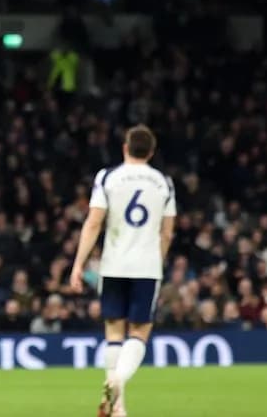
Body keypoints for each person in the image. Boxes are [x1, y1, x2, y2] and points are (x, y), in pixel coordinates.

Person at [70, 125, 176, 417]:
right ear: (151, 152)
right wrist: (159, 260)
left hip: (113, 264)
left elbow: (93, 223)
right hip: (146, 266)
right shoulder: (163, 183)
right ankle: (118, 380)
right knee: (139, 332)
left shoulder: (108, 178)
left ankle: (118, 404)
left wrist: (78, 264)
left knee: (114, 330)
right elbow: (167, 233)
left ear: (125, 148)